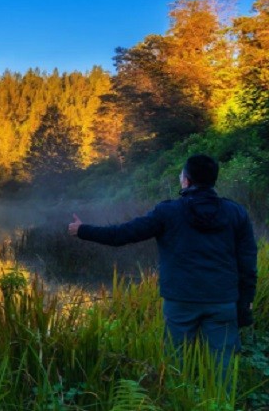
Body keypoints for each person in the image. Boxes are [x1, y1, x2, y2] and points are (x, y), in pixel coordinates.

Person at [68, 154, 257, 375]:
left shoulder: (168, 212)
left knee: (176, 367)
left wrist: (82, 230)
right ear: (213, 180)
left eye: (181, 175)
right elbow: (248, 263)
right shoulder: (236, 213)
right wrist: (245, 301)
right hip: (223, 300)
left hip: (180, 301)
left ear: (186, 181)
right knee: (222, 370)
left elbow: (122, 235)